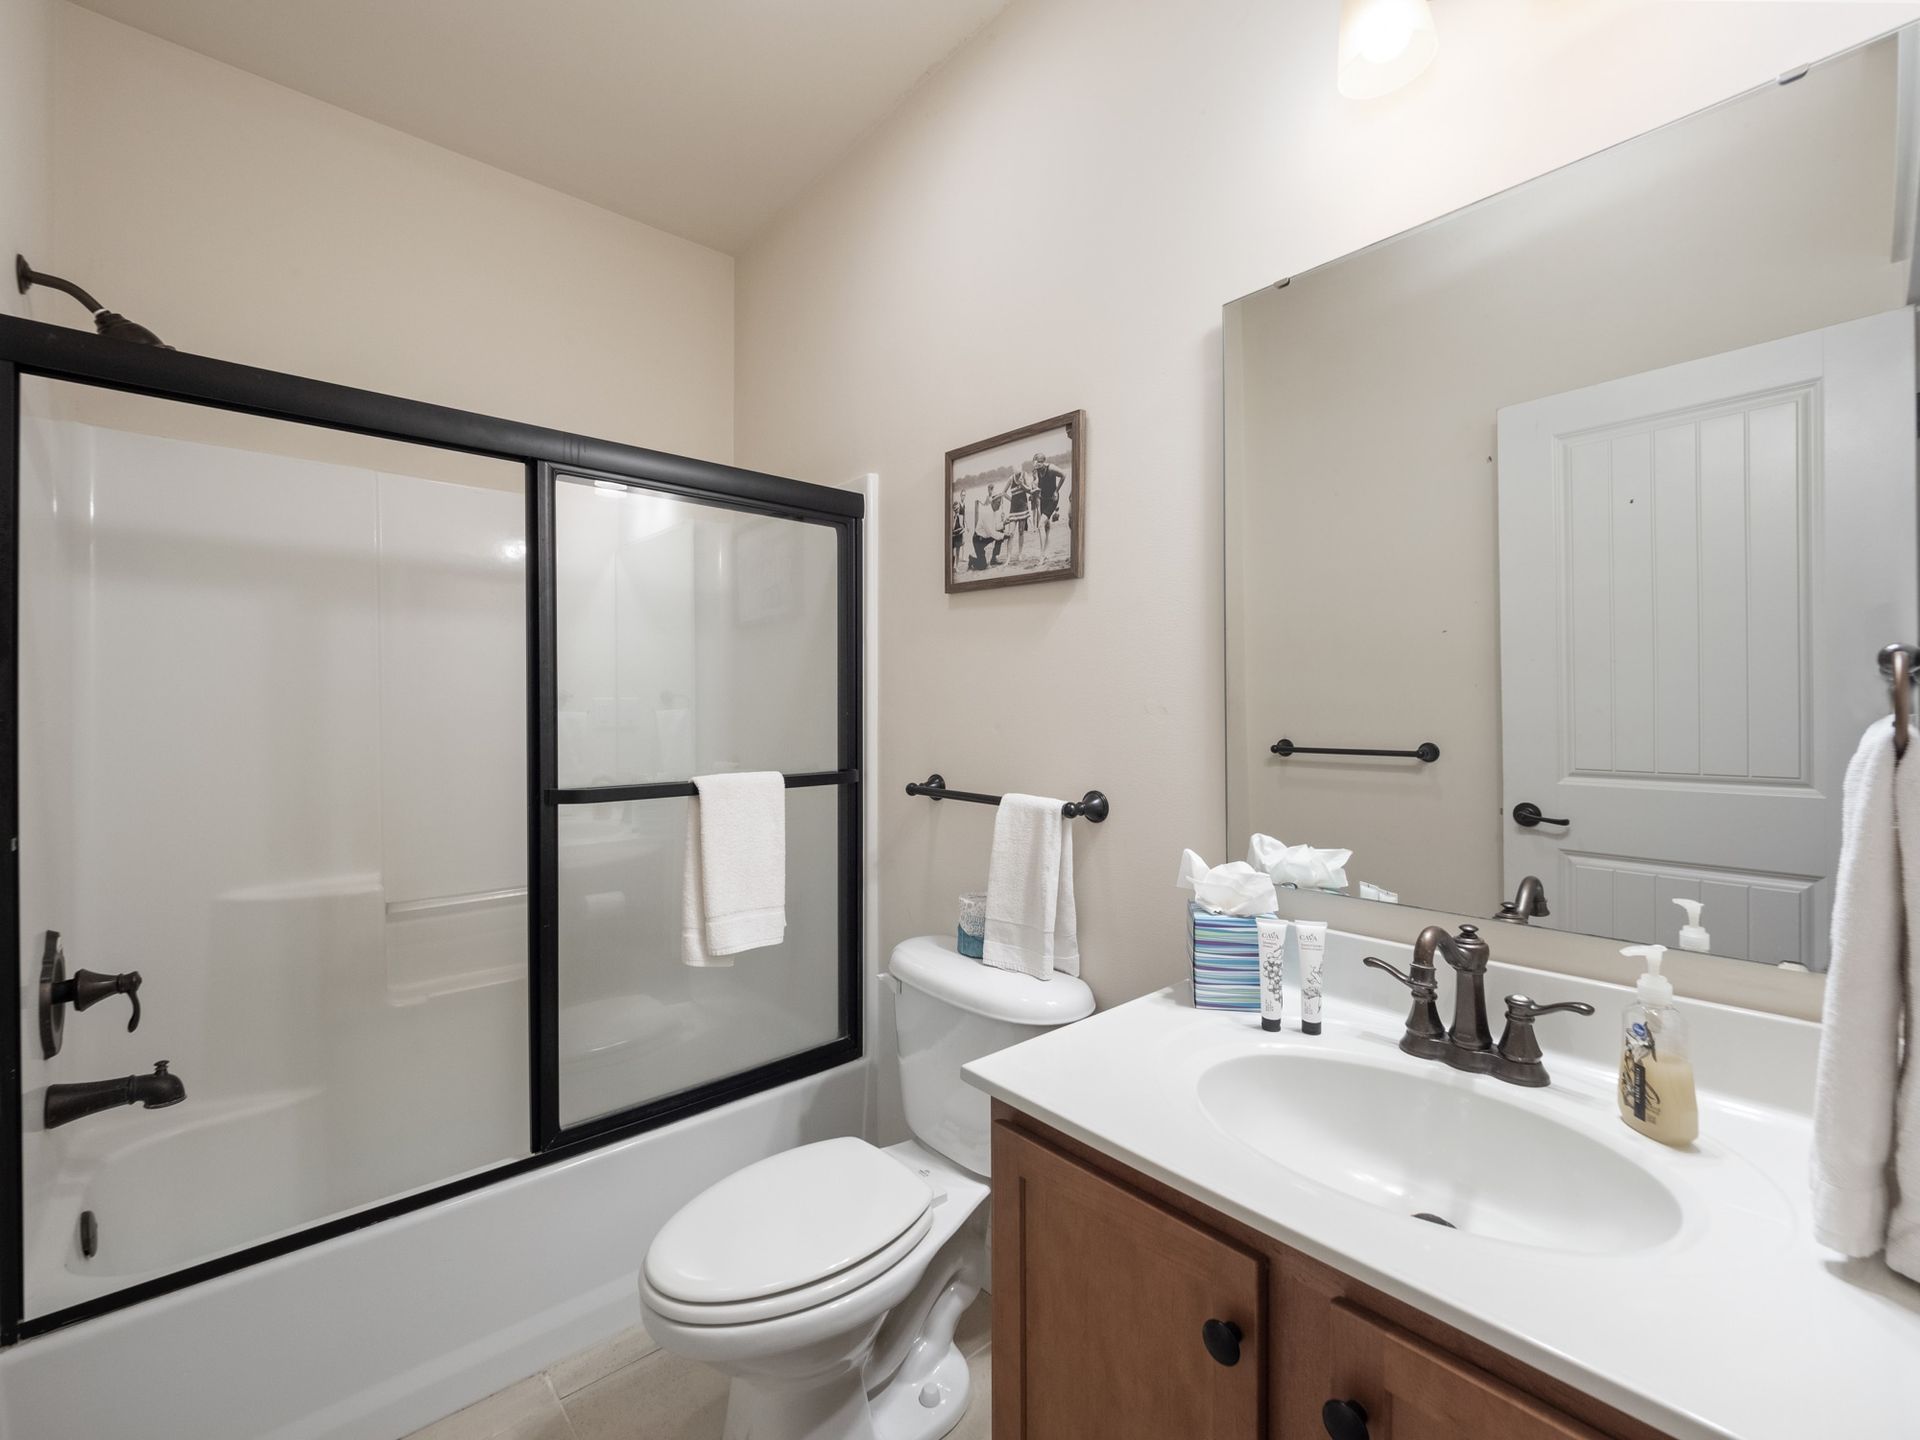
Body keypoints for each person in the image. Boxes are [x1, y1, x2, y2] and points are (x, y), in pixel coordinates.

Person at [1031, 451, 1068, 556]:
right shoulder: (1037, 470)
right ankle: (1046, 551)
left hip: (1052, 499)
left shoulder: (1050, 468)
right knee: (1046, 526)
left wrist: (1056, 491)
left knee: (1040, 525)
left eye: (1038, 466)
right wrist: (1035, 488)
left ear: (1042, 462)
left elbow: (1064, 475)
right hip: (1043, 499)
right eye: (1036, 467)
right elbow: (1036, 482)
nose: (1037, 469)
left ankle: (1042, 555)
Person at [1005, 465, 1034, 563]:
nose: (1017, 476)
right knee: (1010, 533)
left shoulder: (1025, 475)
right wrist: (1011, 500)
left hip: (1022, 508)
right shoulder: (1011, 478)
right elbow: (1003, 493)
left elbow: (1030, 490)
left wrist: (1022, 485)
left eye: (1018, 474)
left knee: (1021, 532)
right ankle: (1008, 557)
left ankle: (1020, 554)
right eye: (1016, 474)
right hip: (1013, 509)